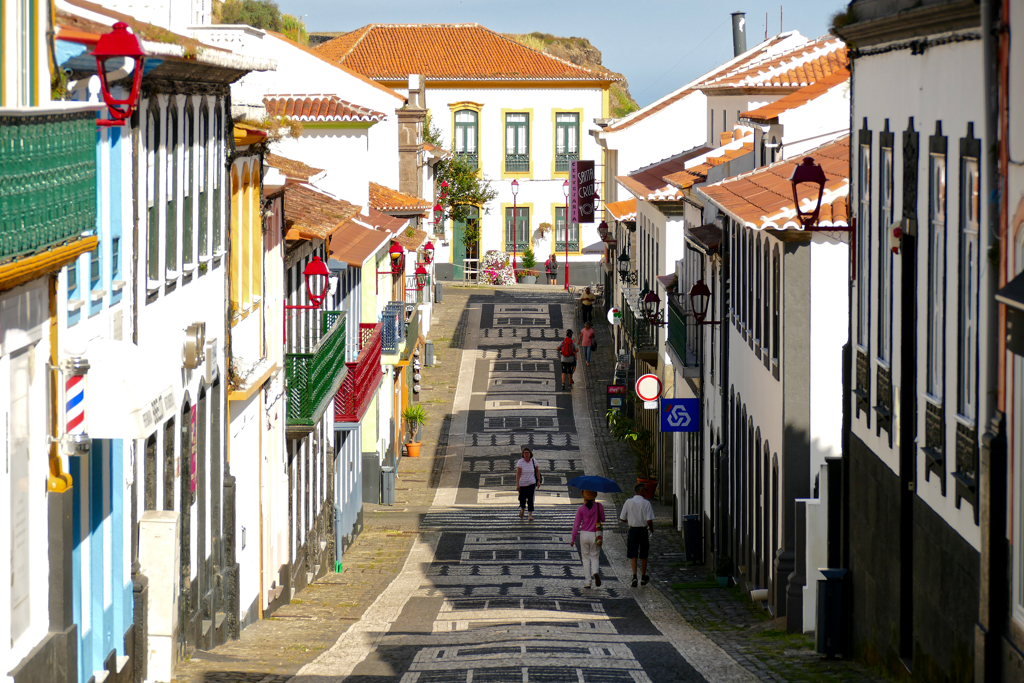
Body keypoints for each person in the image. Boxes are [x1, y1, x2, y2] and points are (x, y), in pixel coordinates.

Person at [619, 482, 655, 587]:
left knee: (633, 554)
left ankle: (634, 576)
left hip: (633, 530)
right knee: (644, 554)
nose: (647, 492)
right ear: (641, 491)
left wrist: (630, 520)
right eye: (646, 490)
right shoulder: (646, 503)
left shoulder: (628, 502)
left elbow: (622, 518)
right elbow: (649, 520)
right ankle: (643, 576)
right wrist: (651, 528)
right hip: (643, 530)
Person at [570, 490, 605, 589]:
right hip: (595, 534)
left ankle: (588, 582)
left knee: (585, 559)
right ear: (595, 495)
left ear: (583, 496)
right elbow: (603, 519)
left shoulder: (581, 509)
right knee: (594, 556)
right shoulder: (599, 506)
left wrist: (573, 538)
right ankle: (595, 572)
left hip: (584, 534)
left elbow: (576, 525)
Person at [515, 446, 541, 521]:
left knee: (530, 499)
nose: (526, 454)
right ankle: (523, 509)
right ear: (523, 454)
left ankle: (530, 514)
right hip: (522, 483)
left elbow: (537, 471)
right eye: (525, 453)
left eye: (527, 453)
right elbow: (518, 473)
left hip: (531, 483)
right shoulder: (520, 462)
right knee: (522, 499)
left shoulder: (533, 461)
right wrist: (517, 484)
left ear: (530, 454)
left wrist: (538, 480)